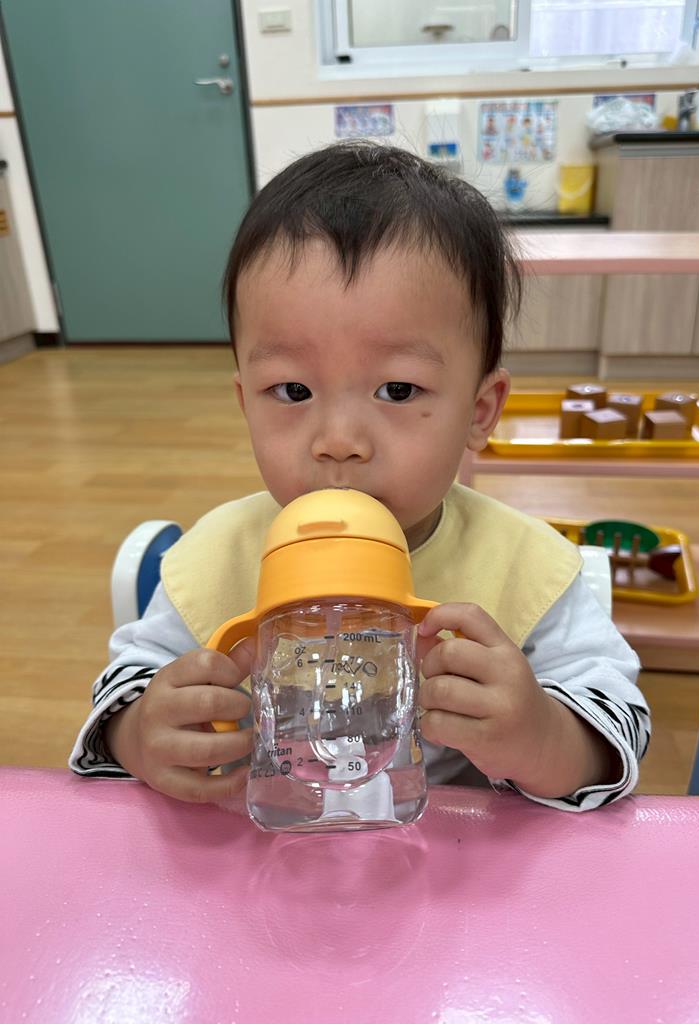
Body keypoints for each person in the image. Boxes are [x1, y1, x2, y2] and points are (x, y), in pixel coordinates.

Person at [69, 142, 649, 811]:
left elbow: (618, 723)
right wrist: (137, 732)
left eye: (397, 390)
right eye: (291, 391)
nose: (338, 442)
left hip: (462, 854)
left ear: (478, 411)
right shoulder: (215, 557)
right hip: (263, 847)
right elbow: (126, 685)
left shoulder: (525, 568)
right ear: (245, 403)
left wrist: (545, 739)